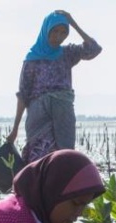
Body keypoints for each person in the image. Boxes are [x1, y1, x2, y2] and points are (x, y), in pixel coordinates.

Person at [7, 10, 102, 163]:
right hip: (39, 113)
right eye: (55, 31)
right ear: (46, 30)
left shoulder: (67, 53)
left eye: (63, 32)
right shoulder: (32, 60)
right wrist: (15, 128)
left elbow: (94, 49)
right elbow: (23, 95)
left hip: (63, 111)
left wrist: (73, 22)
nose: (59, 36)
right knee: (38, 157)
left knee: (64, 157)